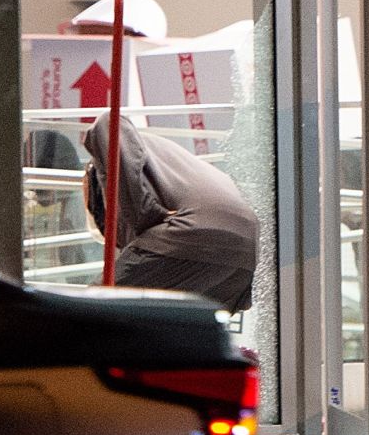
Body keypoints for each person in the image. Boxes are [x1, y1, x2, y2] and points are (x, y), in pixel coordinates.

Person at [82, 114, 258, 310]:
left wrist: (149, 214)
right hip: (246, 249)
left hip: (192, 228)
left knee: (89, 310)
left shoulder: (110, 156)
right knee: (162, 327)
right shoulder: (169, 166)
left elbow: (109, 122)